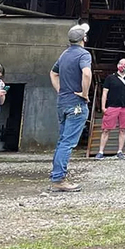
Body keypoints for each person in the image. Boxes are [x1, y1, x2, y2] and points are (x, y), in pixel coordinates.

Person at [49, 23, 93, 192]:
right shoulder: (84, 54)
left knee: (62, 141)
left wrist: (60, 90)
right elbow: (87, 73)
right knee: (67, 143)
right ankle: (59, 179)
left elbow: (53, 73)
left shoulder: (64, 54)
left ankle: (56, 175)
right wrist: (84, 93)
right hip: (76, 103)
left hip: (63, 102)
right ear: (84, 39)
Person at [96, 58, 125, 160]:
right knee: (106, 129)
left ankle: (120, 151)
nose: (123, 66)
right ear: (117, 65)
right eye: (121, 63)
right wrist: (103, 107)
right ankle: (100, 151)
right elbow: (105, 93)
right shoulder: (110, 78)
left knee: (123, 129)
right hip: (112, 106)